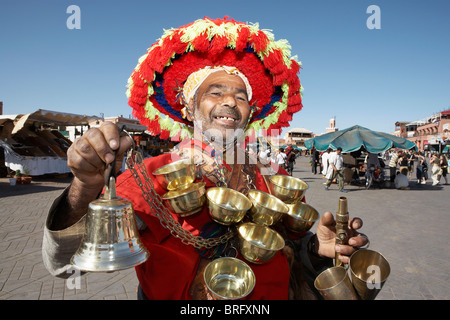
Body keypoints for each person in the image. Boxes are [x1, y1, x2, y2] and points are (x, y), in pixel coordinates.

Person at [41, 17, 368, 300]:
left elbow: (291, 249)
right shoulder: (151, 175)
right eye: (215, 92)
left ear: (250, 113)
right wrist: (84, 188)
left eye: (241, 96)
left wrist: (317, 249)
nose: (230, 102)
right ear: (187, 107)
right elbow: (65, 264)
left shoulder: (273, 173)